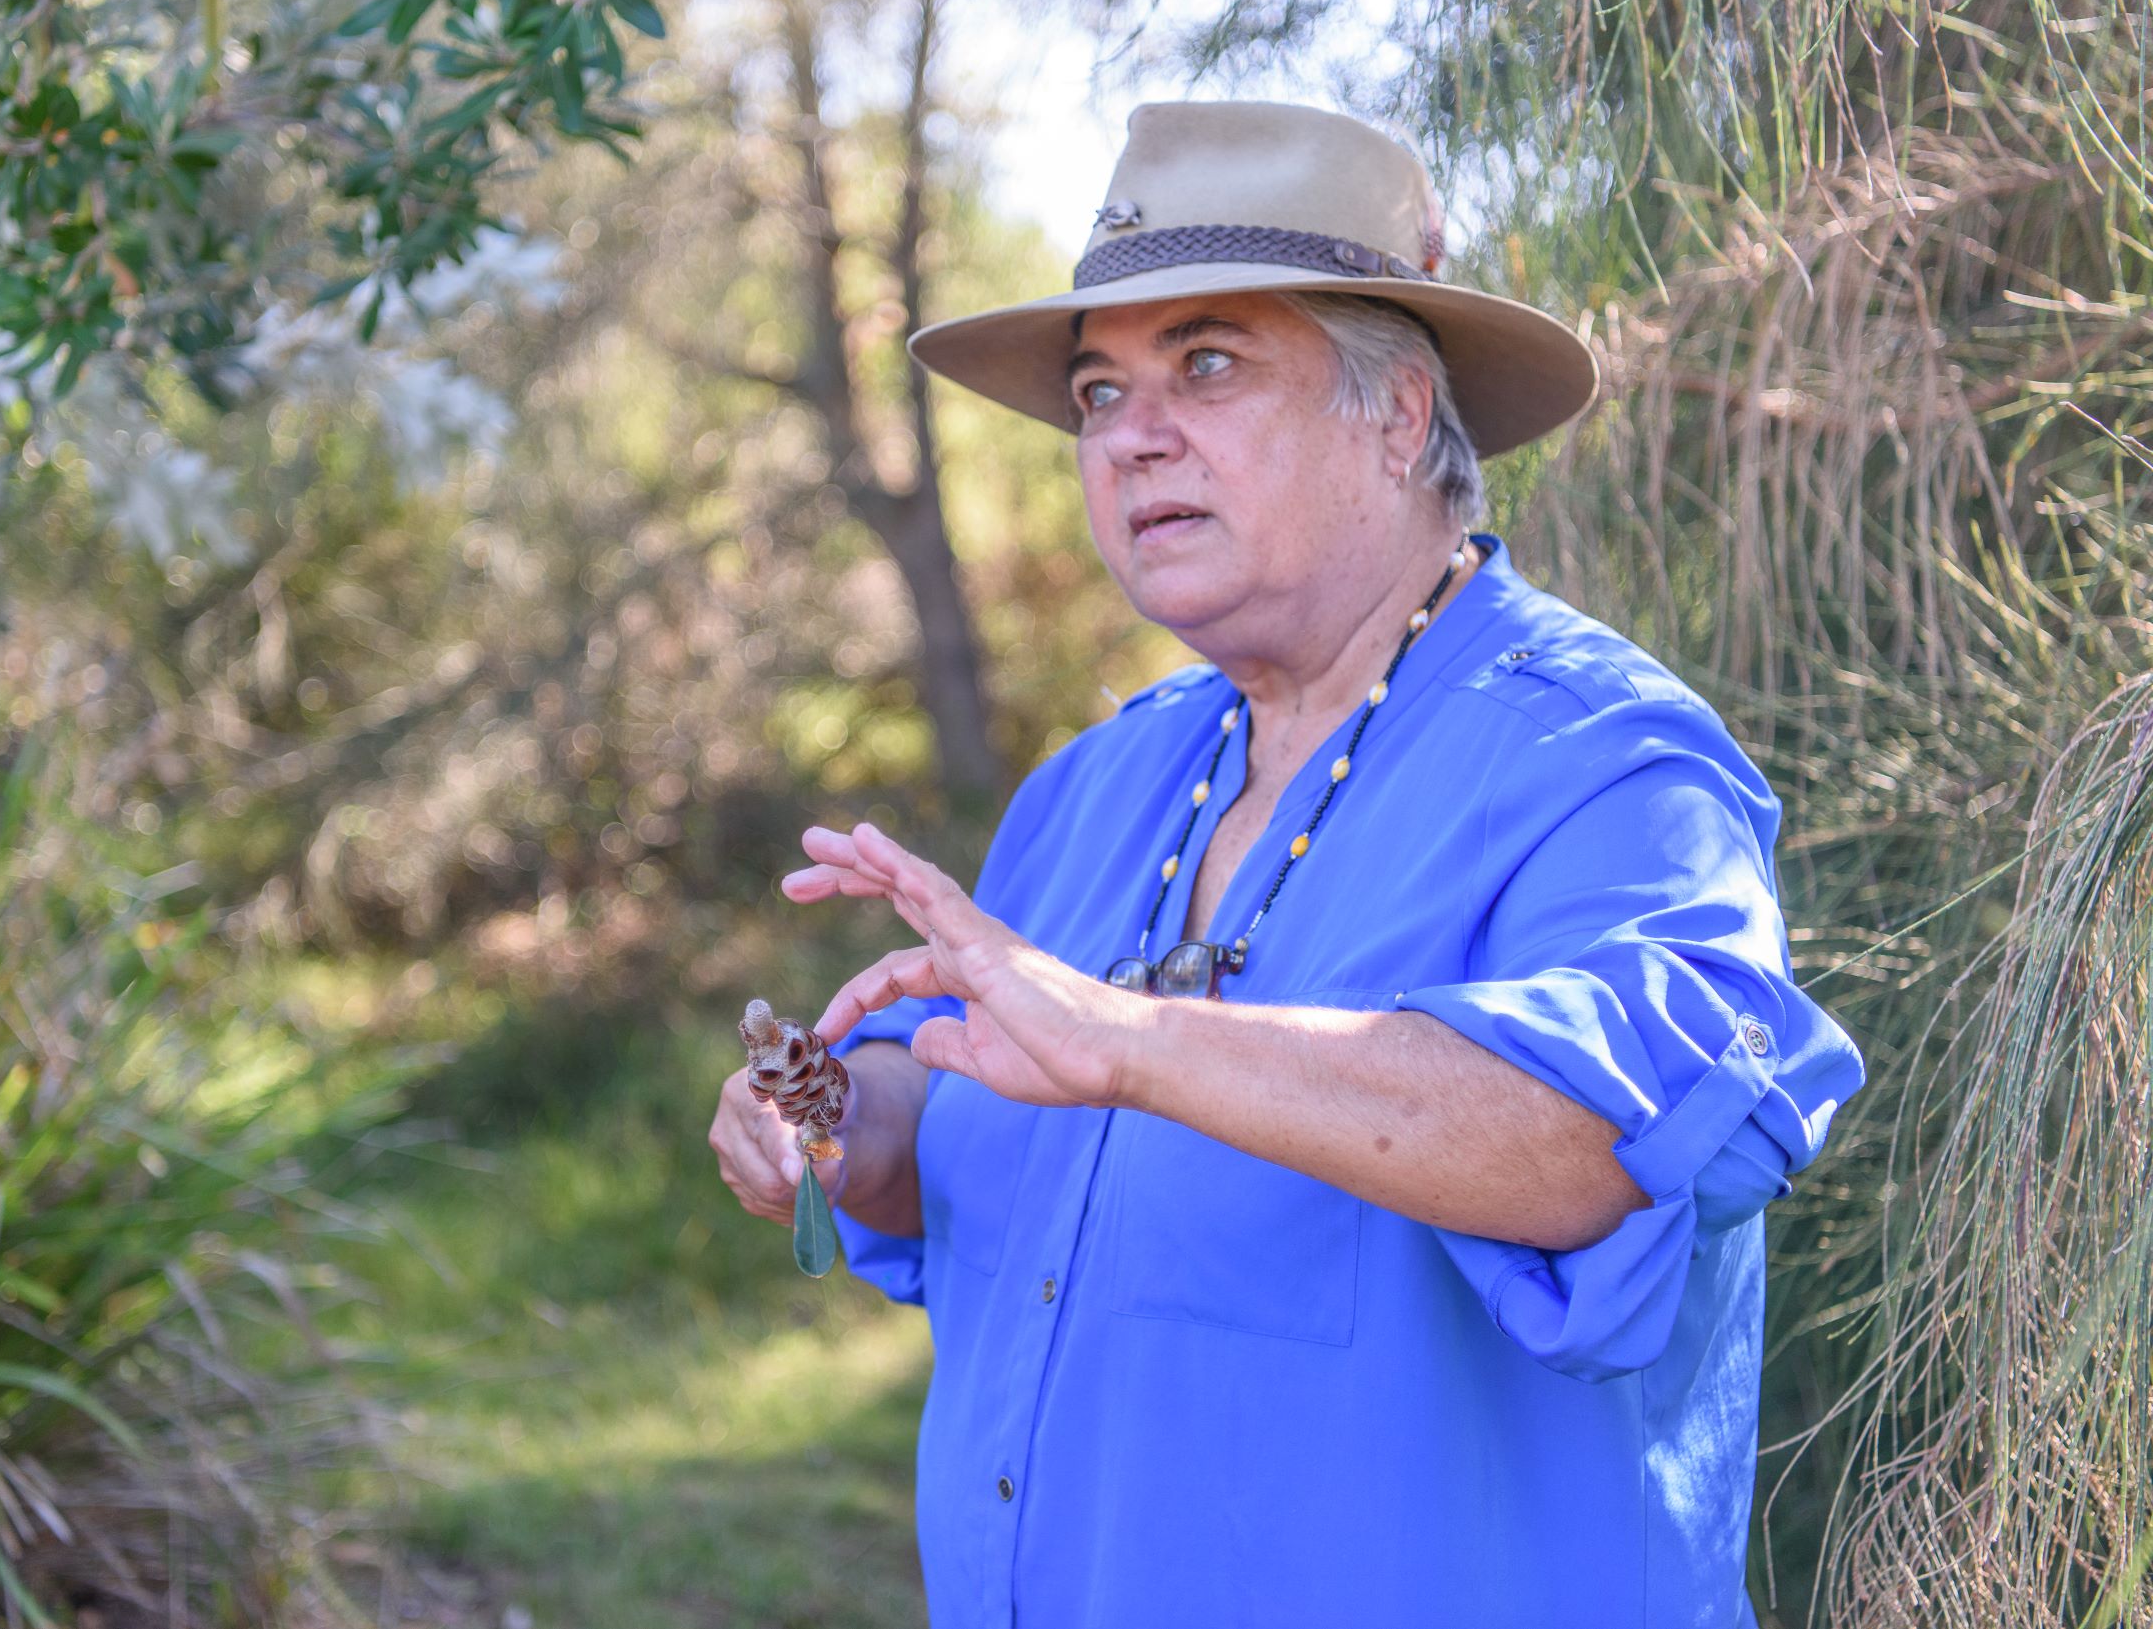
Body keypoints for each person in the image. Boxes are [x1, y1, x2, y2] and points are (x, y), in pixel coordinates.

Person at [706, 100, 1865, 1627]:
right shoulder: (1090, 787)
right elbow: (1002, 1145)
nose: (1131, 434)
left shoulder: (1607, 761)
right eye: (1099, 392)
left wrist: (1134, 1040)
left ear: (1399, 414)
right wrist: (847, 1119)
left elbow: (1611, 1139)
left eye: (1207, 364)